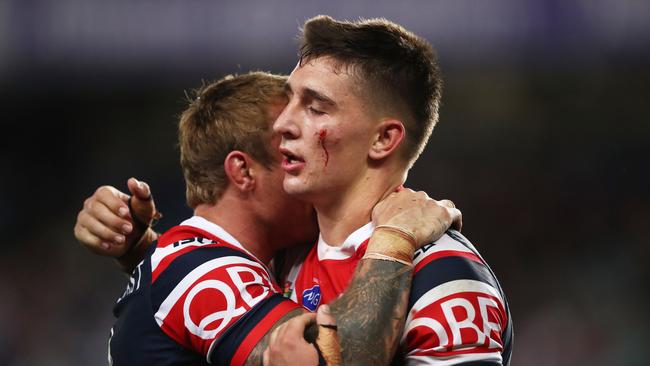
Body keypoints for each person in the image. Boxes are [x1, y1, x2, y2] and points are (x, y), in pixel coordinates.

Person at [75, 72, 462, 365]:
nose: (313, 166)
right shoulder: (203, 274)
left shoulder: (190, 262)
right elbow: (328, 358)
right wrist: (396, 236)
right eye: (291, 153)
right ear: (243, 172)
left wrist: (137, 249)